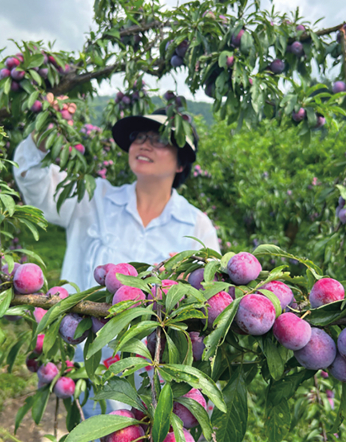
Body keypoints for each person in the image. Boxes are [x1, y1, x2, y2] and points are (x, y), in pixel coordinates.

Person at [13, 108, 220, 415]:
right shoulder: (92, 196)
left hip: (153, 372)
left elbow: (208, 305)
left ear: (181, 162)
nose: (143, 144)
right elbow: (35, 183)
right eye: (138, 136)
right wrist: (42, 136)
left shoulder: (197, 227)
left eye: (159, 138)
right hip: (86, 361)